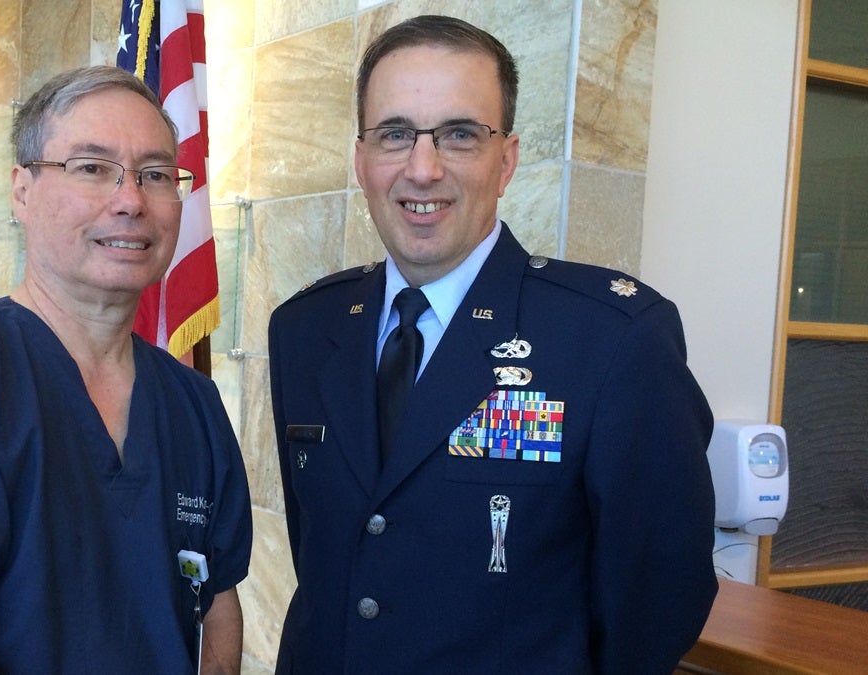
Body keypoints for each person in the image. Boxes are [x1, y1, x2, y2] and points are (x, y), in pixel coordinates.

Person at [269, 15, 716, 674]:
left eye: (459, 135)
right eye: (395, 134)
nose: (423, 169)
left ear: (505, 160)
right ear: (361, 161)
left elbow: (657, 599)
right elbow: (327, 553)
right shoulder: (306, 330)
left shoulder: (612, 341)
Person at [0, 66, 252, 674]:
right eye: (91, 167)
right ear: (22, 191)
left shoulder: (193, 403)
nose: (130, 199)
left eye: (155, 174)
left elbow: (216, 617)